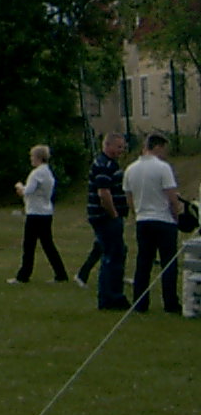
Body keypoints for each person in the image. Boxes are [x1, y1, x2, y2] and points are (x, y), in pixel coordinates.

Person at [123, 133, 182, 314]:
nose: (165, 153)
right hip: (163, 219)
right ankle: (170, 302)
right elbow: (171, 196)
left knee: (143, 262)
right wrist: (177, 215)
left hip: (143, 220)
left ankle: (140, 302)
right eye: (164, 149)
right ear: (157, 147)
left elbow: (129, 198)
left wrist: (136, 214)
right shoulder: (163, 168)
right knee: (168, 263)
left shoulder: (130, 169)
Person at [7, 145, 69, 286]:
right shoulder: (48, 172)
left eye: (32, 156)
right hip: (46, 212)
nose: (31, 159)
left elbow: (27, 191)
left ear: (38, 158)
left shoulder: (36, 174)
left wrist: (19, 186)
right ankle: (61, 273)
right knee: (48, 244)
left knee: (29, 245)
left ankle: (23, 275)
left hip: (35, 213)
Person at [85, 132, 131, 311]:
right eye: (118, 147)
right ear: (108, 145)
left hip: (106, 217)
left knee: (117, 252)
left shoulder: (111, 164)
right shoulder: (103, 165)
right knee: (112, 255)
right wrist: (114, 214)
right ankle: (110, 297)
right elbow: (103, 193)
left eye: (123, 147)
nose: (121, 150)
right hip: (105, 217)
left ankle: (112, 294)